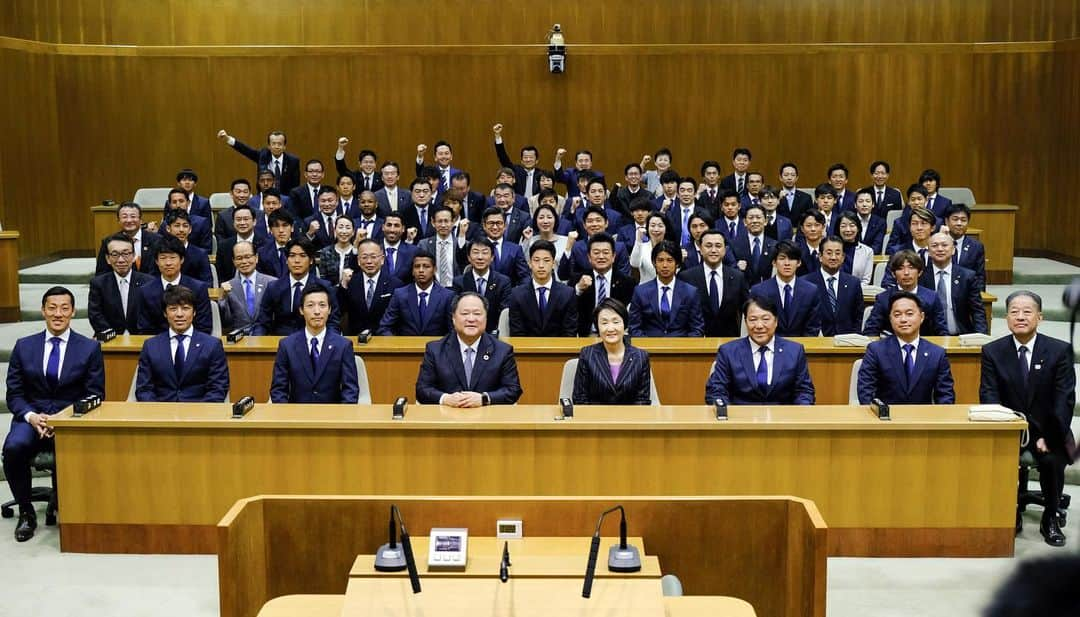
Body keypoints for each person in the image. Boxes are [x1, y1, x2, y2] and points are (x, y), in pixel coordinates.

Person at [4, 287, 105, 541]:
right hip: (32, 418)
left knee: (73, 449)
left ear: (72, 312)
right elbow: (14, 394)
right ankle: (26, 511)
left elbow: (95, 394)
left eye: (64, 308)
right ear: (43, 311)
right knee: (13, 448)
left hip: (70, 419)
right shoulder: (24, 346)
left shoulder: (89, 348)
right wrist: (31, 416)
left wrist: (62, 419)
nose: (58, 314)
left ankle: (66, 506)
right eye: (52, 308)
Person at [980, 291, 1076, 546]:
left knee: (1053, 457)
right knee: (994, 455)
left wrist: (1051, 435)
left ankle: (1051, 516)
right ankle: (1009, 512)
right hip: (1010, 429)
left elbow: (1064, 399)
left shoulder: (1059, 351)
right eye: (1014, 311)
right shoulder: (992, 351)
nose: (1020, 317)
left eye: (1027, 311)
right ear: (1007, 317)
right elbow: (989, 396)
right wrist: (1007, 431)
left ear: (1040, 317)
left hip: (1051, 428)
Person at [415, 292, 523, 406]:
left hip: (488, 418)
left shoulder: (502, 351)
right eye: (465, 313)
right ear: (453, 318)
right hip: (447, 418)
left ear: (486, 318)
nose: (471, 319)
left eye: (477, 313)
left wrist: (484, 398)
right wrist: (445, 399)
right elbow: (422, 390)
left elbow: (513, 390)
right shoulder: (435, 350)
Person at [704, 296, 815, 405]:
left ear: (776, 321)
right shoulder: (728, 352)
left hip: (783, 419)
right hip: (741, 419)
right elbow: (716, 390)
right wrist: (725, 413)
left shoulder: (795, 351)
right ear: (746, 322)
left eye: (765, 319)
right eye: (753, 320)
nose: (759, 326)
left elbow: (804, 391)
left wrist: (801, 412)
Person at [857, 291, 955, 404]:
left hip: (924, 418)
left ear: (921, 317)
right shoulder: (876, 350)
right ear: (890, 319)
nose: (903, 319)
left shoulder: (937, 354)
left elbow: (945, 396)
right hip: (885, 418)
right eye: (897, 315)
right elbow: (866, 392)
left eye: (909, 314)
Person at [135, 285, 229, 403]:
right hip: (161, 414)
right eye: (173, 309)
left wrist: (196, 415)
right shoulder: (151, 346)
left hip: (199, 414)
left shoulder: (212, 345)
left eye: (185, 308)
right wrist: (158, 412)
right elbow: (144, 389)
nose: (179, 314)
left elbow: (218, 389)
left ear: (194, 312)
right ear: (165, 313)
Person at [269, 285, 359, 404]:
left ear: (330, 309)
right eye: (310, 305)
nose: (317, 311)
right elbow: (278, 390)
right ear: (301, 310)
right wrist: (287, 418)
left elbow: (350, 390)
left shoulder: (343, 345)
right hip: (297, 416)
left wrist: (341, 418)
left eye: (322, 305)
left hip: (332, 416)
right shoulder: (287, 345)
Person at [573, 298, 652, 405]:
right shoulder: (587, 354)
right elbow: (580, 398)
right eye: (604, 323)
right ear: (597, 327)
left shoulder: (641, 357)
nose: (610, 328)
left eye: (616, 322)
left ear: (624, 324)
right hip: (595, 418)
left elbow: (642, 400)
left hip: (630, 419)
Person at [252, 239, 339, 336]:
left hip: (315, 341)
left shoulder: (324, 287)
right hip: (281, 343)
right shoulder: (274, 287)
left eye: (302, 256)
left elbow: (333, 323)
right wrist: (255, 342)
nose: (297, 261)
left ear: (311, 260)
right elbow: (263, 323)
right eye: (292, 256)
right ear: (286, 260)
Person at [131, 236, 212, 335]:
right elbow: (145, 328)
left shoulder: (198, 288)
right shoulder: (145, 291)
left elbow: (204, 326)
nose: (168, 263)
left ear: (182, 259)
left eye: (173, 257)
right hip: (158, 345)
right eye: (163, 258)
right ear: (156, 261)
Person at [678, 230, 749, 337]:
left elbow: (747, 308)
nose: (713, 250)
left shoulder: (737, 277)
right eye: (708, 246)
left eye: (718, 246)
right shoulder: (686, 277)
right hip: (696, 341)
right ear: (701, 249)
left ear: (725, 250)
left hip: (729, 341)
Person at [863, 250, 948, 337]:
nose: (906, 273)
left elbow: (941, 330)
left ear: (920, 272)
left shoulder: (932, 297)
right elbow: (871, 330)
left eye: (911, 268)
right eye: (900, 268)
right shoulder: (883, 298)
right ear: (893, 274)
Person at [629, 241, 704, 337]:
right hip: (648, 347)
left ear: (677, 263)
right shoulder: (640, 292)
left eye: (669, 260)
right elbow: (634, 327)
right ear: (654, 263)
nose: (665, 265)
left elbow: (697, 328)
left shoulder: (690, 292)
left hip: (681, 347)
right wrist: (647, 347)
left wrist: (685, 348)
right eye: (660, 260)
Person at [920, 231, 988, 334]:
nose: (940, 249)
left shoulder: (967, 277)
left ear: (953, 250)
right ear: (928, 252)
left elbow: (977, 311)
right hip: (929, 338)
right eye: (934, 246)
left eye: (944, 245)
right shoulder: (920, 277)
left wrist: (981, 338)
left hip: (960, 336)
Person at [749, 240, 821, 337]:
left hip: (802, 347)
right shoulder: (758, 291)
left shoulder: (811, 290)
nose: (787, 263)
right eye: (782, 258)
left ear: (799, 262)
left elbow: (812, 327)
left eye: (791, 259)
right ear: (774, 262)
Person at [508, 240, 578, 336]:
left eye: (546, 260)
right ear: (529, 263)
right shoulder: (517, 294)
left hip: (559, 349)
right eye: (536, 260)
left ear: (553, 263)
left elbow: (569, 332)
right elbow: (517, 333)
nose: (541, 265)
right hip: (526, 349)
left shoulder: (567, 294)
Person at [88, 233, 154, 335]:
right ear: (108, 259)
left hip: (141, 338)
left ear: (133, 256)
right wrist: (111, 335)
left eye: (126, 254)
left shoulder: (148, 282)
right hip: (109, 338)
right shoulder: (98, 283)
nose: (121, 260)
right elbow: (95, 315)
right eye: (115, 255)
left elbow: (152, 314)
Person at [571, 233, 635, 336]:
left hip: (617, 334)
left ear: (613, 256)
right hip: (587, 334)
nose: (601, 257)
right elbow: (569, 308)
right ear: (589, 257)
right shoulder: (577, 279)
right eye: (596, 253)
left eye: (606, 252)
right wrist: (578, 289)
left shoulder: (627, 282)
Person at [377, 252, 453, 336]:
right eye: (417, 267)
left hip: (437, 347)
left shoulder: (447, 296)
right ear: (412, 271)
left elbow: (453, 329)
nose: (421, 270)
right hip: (406, 347)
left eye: (426, 266)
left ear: (434, 270)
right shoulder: (400, 294)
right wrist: (395, 345)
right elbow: (385, 326)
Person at [339, 239, 402, 335]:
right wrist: (343, 286)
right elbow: (340, 310)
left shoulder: (395, 284)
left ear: (382, 259)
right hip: (356, 341)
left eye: (373, 257)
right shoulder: (351, 282)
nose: (369, 261)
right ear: (358, 261)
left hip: (386, 341)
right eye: (364, 257)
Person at [804, 236, 865, 336]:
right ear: (820, 256)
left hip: (847, 343)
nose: (833, 257)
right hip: (816, 342)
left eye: (837, 253)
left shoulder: (853, 283)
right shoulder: (806, 282)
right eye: (829, 253)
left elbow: (858, 316)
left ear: (843, 257)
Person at [452, 239, 511, 334]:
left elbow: (503, 313)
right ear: (469, 257)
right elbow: (457, 312)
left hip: (494, 333)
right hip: (467, 332)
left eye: (485, 253)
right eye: (475, 253)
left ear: (492, 257)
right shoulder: (459, 282)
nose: (480, 257)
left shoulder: (503, 282)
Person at [217, 129, 301, 194]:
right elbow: (245, 150)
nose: (276, 146)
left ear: (284, 146)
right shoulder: (262, 155)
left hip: (284, 199)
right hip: (264, 197)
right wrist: (227, 139)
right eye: (274, 144)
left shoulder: (293, 161)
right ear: (269, 146)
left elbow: (295, 186)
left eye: (279, 144)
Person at [218, 240, 275, 334]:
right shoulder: (228, 286)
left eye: (248, 257)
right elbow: (226, 321)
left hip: (266, 337)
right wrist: (223, 298)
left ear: (256, 258)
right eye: (239, 258)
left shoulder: (271, 283)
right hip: (239, 338)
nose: (244, 262)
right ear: (234, 261)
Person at [94, 202, 161, 275]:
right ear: (118, 221)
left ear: (141, 220)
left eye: (133, 216)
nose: (129, 220)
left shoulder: (157, 240)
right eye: (124, 217)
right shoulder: (108, 242)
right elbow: (102, 273)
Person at [881, 206, 937, 287]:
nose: (919, 228)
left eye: (924, 223)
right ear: (909, 227)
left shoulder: (939, 252)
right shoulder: (897, 251)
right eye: (914, 223)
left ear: (933, 228)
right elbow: (888, 282)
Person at [728, 204, 777, 287]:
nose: (754, 221)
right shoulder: (733, 244)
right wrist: (737, 267)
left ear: (765, 221)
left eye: (758, 217)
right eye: (751, 218)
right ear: (744, 222)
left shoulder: (774, 245)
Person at [480, 206, 530, 285]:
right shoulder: (476, 247)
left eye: (499, 223)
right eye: (491, 223)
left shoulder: (515, 249)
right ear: (484, 226)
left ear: (505, 225)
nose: (495, 227)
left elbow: (524, 277)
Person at [216, 204, 265, 284]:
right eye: (238, 219)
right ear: (233, 222)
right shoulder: (224, 246)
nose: (242, 223)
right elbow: (222, 276)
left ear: (254, 222)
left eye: (246, 219)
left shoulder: (265, 244)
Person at [417, 206, 464, 287]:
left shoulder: (462, 244)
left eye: (446, 221)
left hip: (456, 290)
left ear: (453, 222)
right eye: (439, 221)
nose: (443, 225)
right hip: (433, 289)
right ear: (433, 222)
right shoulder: (424, 244)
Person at [943, 203, 987, 290]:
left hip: (966, 293)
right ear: (946, 221)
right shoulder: (937, 243)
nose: (959, 223)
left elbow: (980, 276)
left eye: (963, 220)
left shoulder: (976, 246)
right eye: (955, 219)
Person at [492, 123, 544, 197]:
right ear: (522, 160)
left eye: (531, 157)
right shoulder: (515, 170)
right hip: (518, 205)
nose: (528, 160)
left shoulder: (541, 174)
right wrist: (497, 136)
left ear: (537, 160)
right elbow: (503, 157)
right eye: (525, 157)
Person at [162, 210, 213, 284]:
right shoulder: (160, 252)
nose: (181, 230)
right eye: (177, 225)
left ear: (190, 229)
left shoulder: (200, 254)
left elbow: (207, 283)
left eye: (185, 226)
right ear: (168, 229)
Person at [520, 202, 569, 274]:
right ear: (535, 221)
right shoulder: (530, 240)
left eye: (549, 217)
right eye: (541, 217)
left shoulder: (567, 241)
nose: (545, 221)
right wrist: (527, 240)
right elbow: (524, 264)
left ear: (555, 220)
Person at [630, 212, 670, 284]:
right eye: (652, 225)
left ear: (666, 228)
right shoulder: (642, 247)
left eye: (660, 226)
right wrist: (638, 240)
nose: (656, 229)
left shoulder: (672, 248)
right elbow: (634, 264)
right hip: (646, 290)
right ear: (647, 228)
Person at [316, 216, 356, 287]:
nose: (344, 231)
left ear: (353, 232)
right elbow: (323, 278)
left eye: (348, 228)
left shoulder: (356, 252)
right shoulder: (326, 252)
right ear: (334, 230)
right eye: (340, 227)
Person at [214, 178, 258, 243]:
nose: (242, 195)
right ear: (231, 194)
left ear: (250, 194)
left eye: (245, 192)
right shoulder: (223, 216)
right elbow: (221, 241)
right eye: (238, 192)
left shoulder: (259, 214)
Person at [836, 210, 874, 283]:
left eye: (852, 225)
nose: (848, 229)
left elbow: (865, 281)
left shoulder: (867, 251)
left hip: (858, 291)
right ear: (838, 229)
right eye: (843, 226)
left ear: (858, 228)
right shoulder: (831, 248)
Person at [380, 212, 418, 283]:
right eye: (389, 225)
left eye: (396, 226)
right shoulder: (374, 249)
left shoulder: (413, 252)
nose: (392, 230)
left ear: (403, 229)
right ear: (383, 227)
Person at [302, 186, 343, 251]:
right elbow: (302, 246)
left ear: (337, 201)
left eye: (330, 200)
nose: (326, 204)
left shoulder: (344, 219)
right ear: (318, 202)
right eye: (323, 201)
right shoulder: (309, 221)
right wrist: (310, 233)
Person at [852, 188, 887, 255]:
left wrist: (863, 255)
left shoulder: (880, 222)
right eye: (861, 201)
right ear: (855, 205)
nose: (864, 204)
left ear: (873, 204)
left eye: (868, 201)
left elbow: (877, 246)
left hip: (872, 259)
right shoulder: (849, 220)